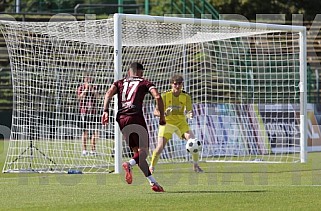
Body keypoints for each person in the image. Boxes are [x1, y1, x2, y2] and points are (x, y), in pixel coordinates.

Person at [102, 62, 166, 192]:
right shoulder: (144, 82)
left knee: (138, 153)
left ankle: (153, 183)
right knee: (145, 151)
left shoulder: (119, 82)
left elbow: (108, 93)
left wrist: (105, 111)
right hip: (135, 116)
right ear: (140, 72)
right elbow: (158, 97)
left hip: (121, 119)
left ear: (128, 71)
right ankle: (129, 164)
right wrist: (162, 117)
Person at [150, 74, 204, 173]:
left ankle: (196, 166)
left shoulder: (186, 96)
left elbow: (188, 111)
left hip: (181, 123)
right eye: (175, 84)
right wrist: (164, 113)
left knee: (193, 142)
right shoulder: (164, 96)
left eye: (179, 84)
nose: (177, 86)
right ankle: (151, 166)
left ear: (182, 84)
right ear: (171, 84)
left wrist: (190, 114)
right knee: (160, 147)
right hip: (167, 123)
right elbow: (155, 112)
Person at [77, 72, 99, 156]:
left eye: (90, 78)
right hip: (84, 112)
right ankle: (84, 150)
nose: (89, 80)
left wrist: (92, 90)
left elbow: (98, 96)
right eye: (87, 78)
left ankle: (93, 150)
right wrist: (86, 90)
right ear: (84, 79)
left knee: (94, 131)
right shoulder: (81, 87)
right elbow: (79, 97)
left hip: (93, 112)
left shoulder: (94, 87)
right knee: (85, 131)